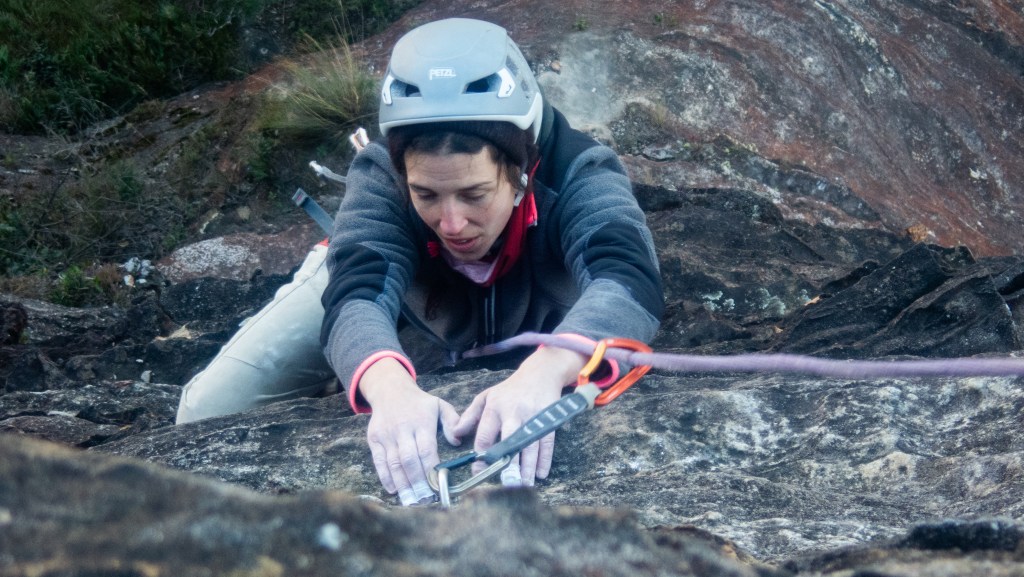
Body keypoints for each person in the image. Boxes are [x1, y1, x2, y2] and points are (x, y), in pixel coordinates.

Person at [178, 17, 663, 506]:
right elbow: (357, 289)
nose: (451, 223)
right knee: (209, 409)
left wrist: (550, 367)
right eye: (425, 194)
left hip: (519, 305)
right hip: (390, 291)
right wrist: (387, 386)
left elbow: (628, 277)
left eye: (474, 194)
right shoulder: (379, 176)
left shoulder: (578, 171)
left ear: (521, 172)